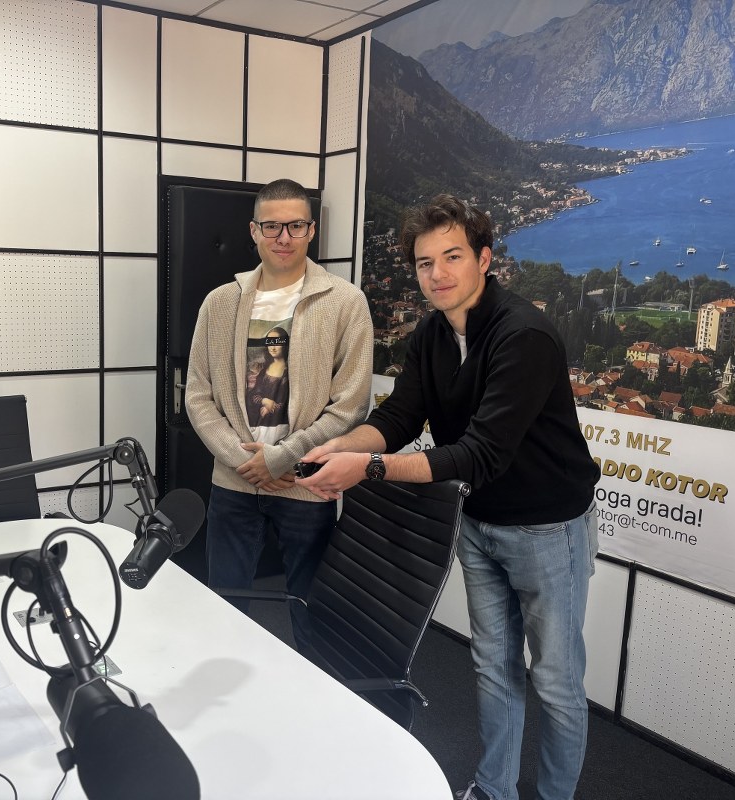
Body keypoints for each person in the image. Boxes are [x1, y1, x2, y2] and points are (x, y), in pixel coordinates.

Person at [299, 194, 600, 800]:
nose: (437, 273)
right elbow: (400, 416)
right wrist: (340, 447)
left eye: (453, 256)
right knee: (493, 667)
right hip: (479, 520)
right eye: (424, 262)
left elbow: (479, 454)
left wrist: (368, 468)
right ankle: (494, 789)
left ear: (484, 259)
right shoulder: (431, 333)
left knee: (557, 683)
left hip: (548, 530)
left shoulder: (524, 335)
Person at [185, 178, 373, 652]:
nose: (283, 237)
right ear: (254, 230)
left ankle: (314, 690)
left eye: (296, 226)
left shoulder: (345, 302)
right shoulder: (220, 303)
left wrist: (283, 457)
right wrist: (243, 460)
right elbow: (198, 396)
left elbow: (351, 404)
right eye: (271, 226)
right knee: (225, 604)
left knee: (310, 608)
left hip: (305, 480)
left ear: (312, 230)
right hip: (235, 480)